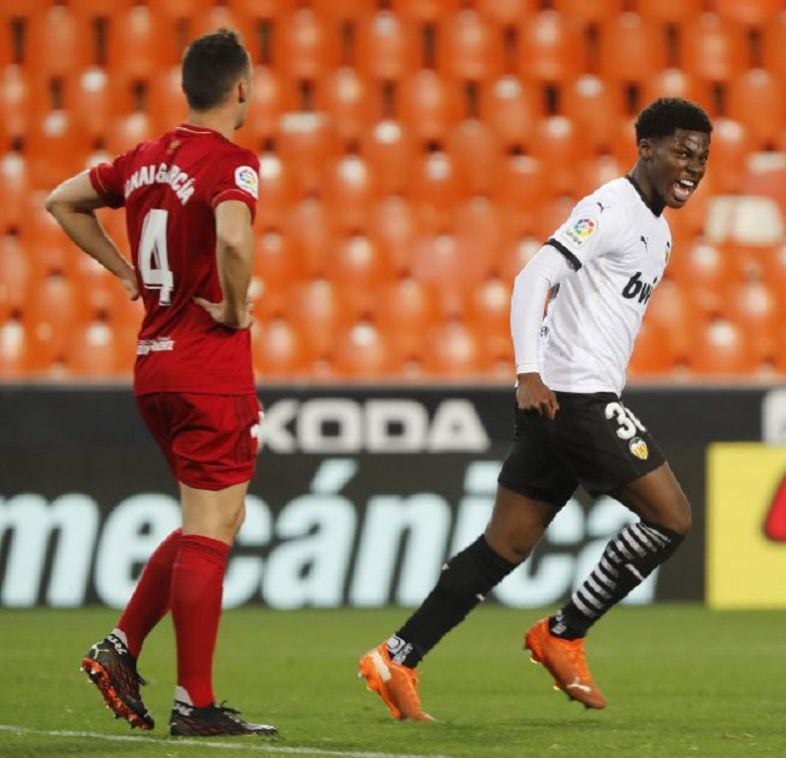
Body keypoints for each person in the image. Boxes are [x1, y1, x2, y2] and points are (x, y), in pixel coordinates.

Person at [357, 97, 712, 721]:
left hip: (565, 401)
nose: (693, 167)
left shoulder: (659, 232)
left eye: (702, 157)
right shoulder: (608, 209)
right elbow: (532, 278)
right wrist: (529, 371)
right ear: (647, 148)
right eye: (682, 151)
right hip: (574, 395)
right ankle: (565, 632)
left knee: (504, 547)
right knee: (672, 517)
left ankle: (396, 656)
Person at [46, 29, 276, 737]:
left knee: (214, 521)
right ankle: (194, 704)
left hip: (155, 362)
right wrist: (237, 308)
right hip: (210, 366)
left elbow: (62, 201)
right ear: (241, 89)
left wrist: (125, 274)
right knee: (213, 531)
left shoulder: (145, 160)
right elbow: (235, 239)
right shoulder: (231, 163)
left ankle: (121, 646)